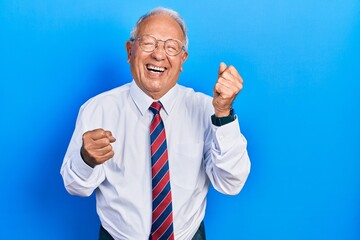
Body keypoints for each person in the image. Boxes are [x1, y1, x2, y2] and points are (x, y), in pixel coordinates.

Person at [61, 7, 250, 240]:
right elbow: (75, 186)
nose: (159, 55)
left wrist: (223, 114)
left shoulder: (205, 109)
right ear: (130, 51)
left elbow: (231, 183)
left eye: (171, 47)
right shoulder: (98, 109)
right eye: (148, 43)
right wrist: (85, 159)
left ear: (182, 60)